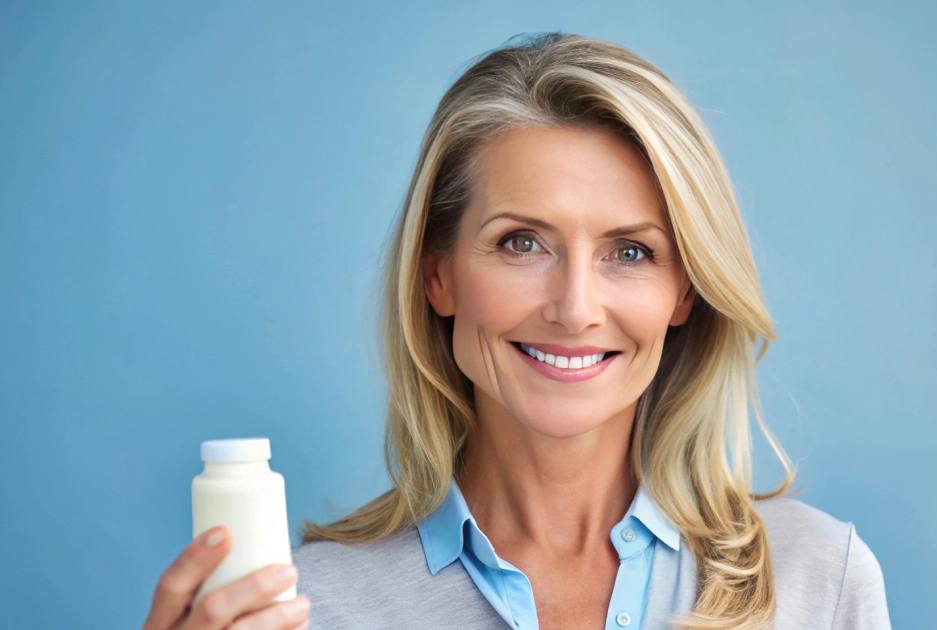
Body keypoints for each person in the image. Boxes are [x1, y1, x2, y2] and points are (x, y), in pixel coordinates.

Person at [142, 32, 890, 630]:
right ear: (437, 275)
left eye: (631, 252)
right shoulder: (302, 610)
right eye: (521, 243)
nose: (575, 308)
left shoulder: (818, 580)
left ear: (684, 293)